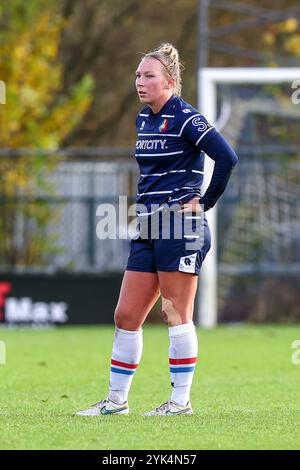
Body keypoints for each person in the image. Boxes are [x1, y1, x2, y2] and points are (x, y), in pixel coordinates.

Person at [76, 43, 238, 417]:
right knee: (126, 315)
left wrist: (205, 201)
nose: (140, 82)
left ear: (170, 81)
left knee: (174, 313)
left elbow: (227, 158)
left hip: (181, 226)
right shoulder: (143, 119)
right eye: (137, 75)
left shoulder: (186, 118)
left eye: (148, 75)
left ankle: (180, 403)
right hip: (148, 224)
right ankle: (116, 402)